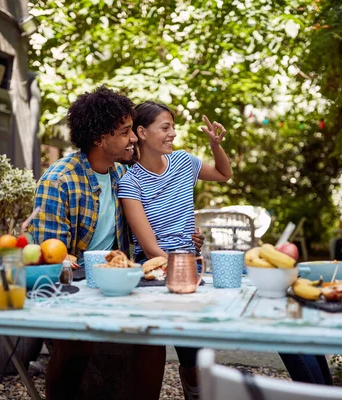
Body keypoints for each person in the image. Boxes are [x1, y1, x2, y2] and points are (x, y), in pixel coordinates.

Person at [31, 87, 203, 399]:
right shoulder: (58, 181)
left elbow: (157, 213)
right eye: (125, 132)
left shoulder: (121, 174)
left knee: (151, 335)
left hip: (118, 283)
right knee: (74, 345)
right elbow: (48, 255)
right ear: (99, 139)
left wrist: (185, 237)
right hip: (75, 288)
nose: (134, 139)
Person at [117, 101, 232, 399]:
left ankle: (194, 391)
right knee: (152, 347)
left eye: (173, 127)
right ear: (141, 132)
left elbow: (223, 174)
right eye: (165, 128)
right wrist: (180, 265)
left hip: (189, 265)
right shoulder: (130, 183)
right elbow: (149, 247)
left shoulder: (183, 162)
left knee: (193, 351)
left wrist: (215, 144)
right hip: (154, 271)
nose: (173, 134)